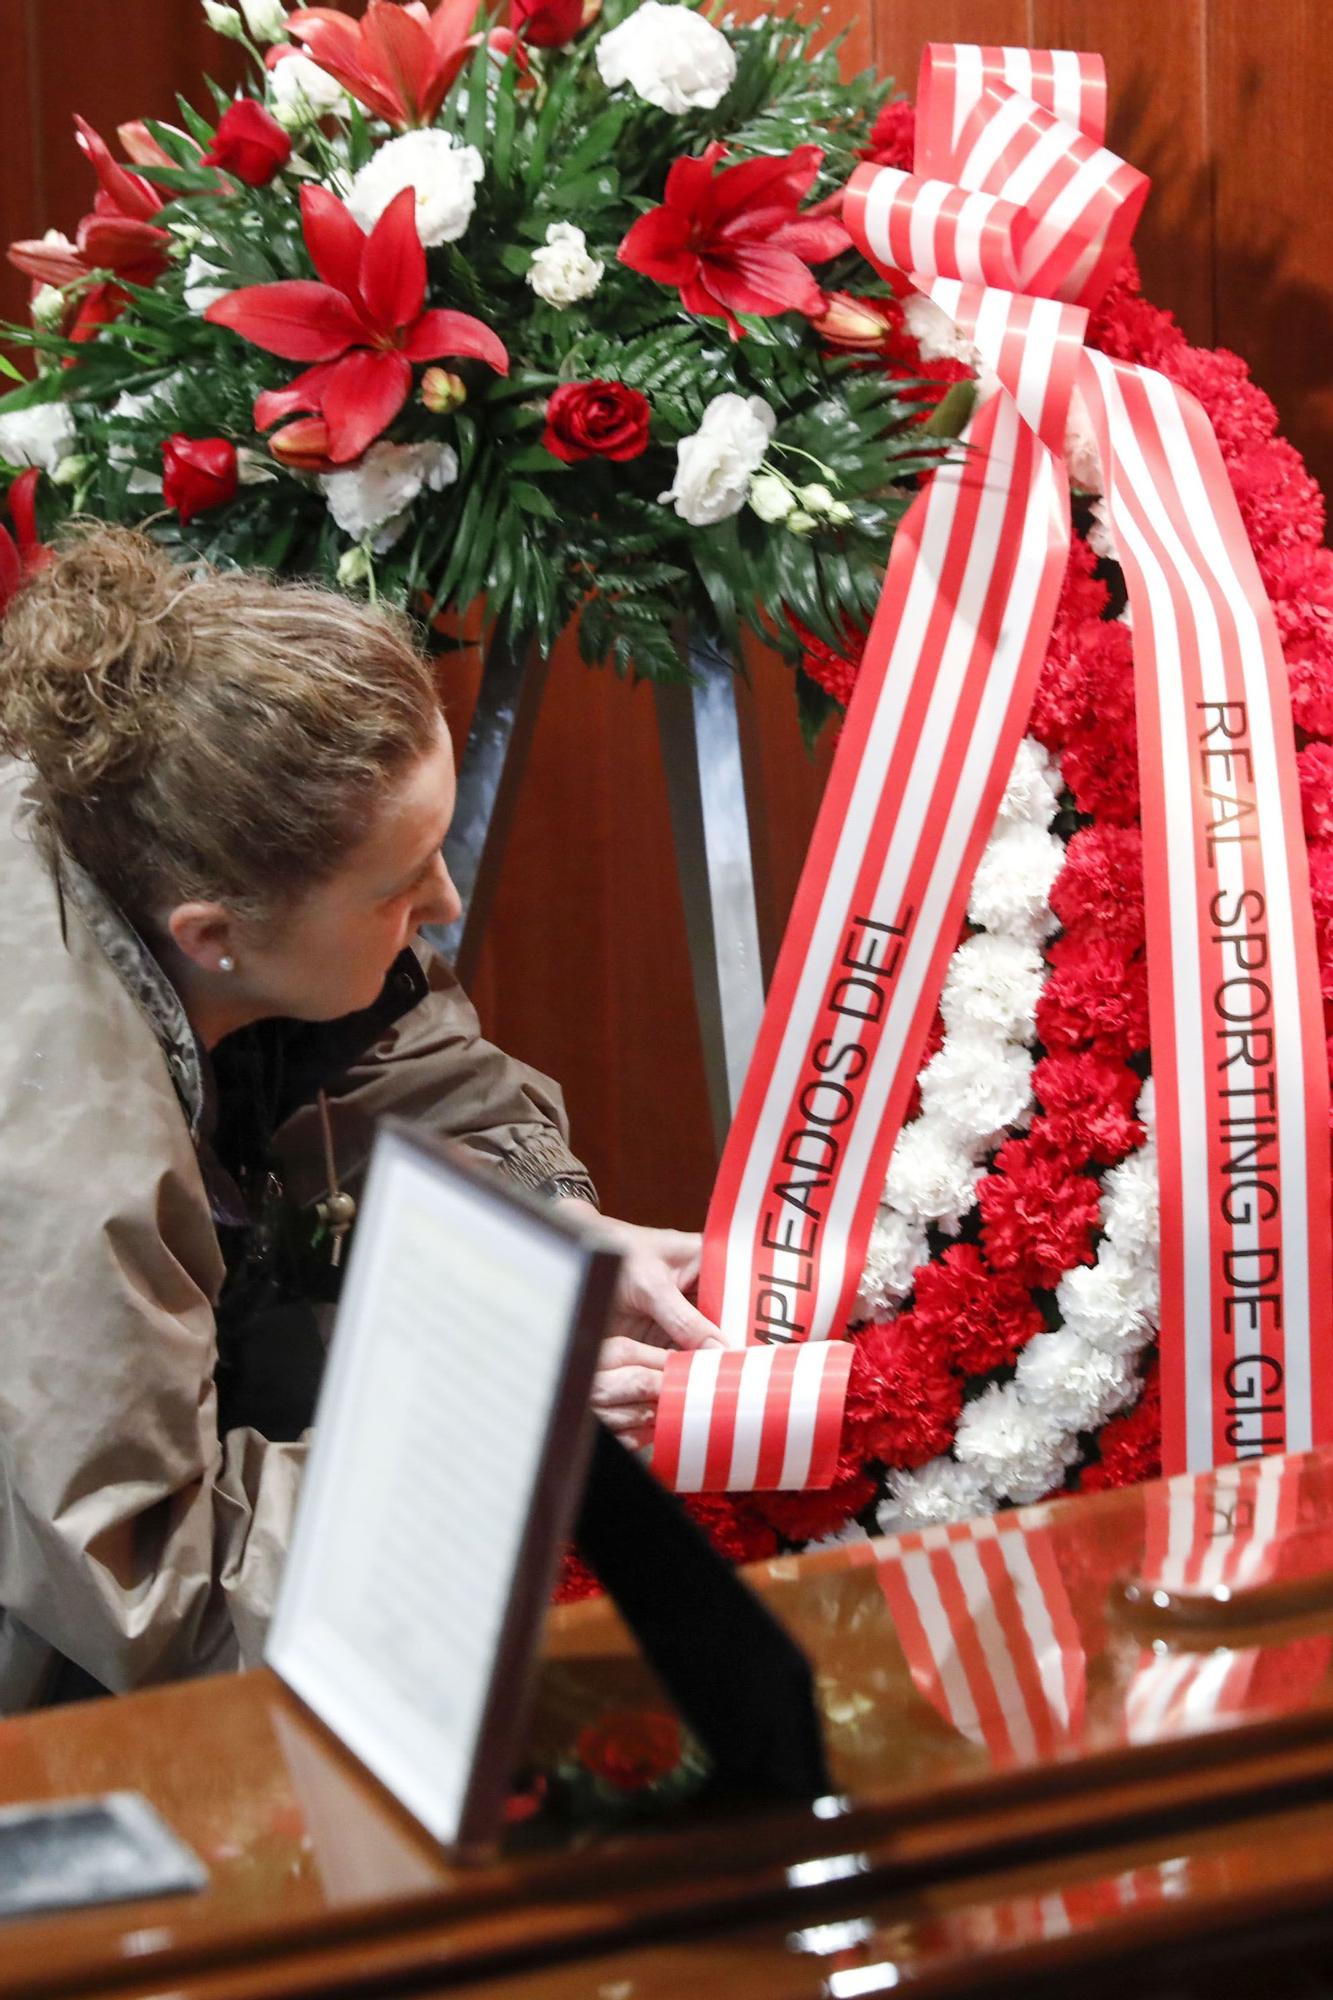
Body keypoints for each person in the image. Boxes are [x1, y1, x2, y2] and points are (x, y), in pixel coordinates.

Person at [0, 523, 724, 1711]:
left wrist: (541, 1216)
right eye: (401, 890)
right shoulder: (73, 1172)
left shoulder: (147, 798)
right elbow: (164, 1597)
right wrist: (496, 1439)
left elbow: (375, 1030)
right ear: (211, 935)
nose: (443, 906)